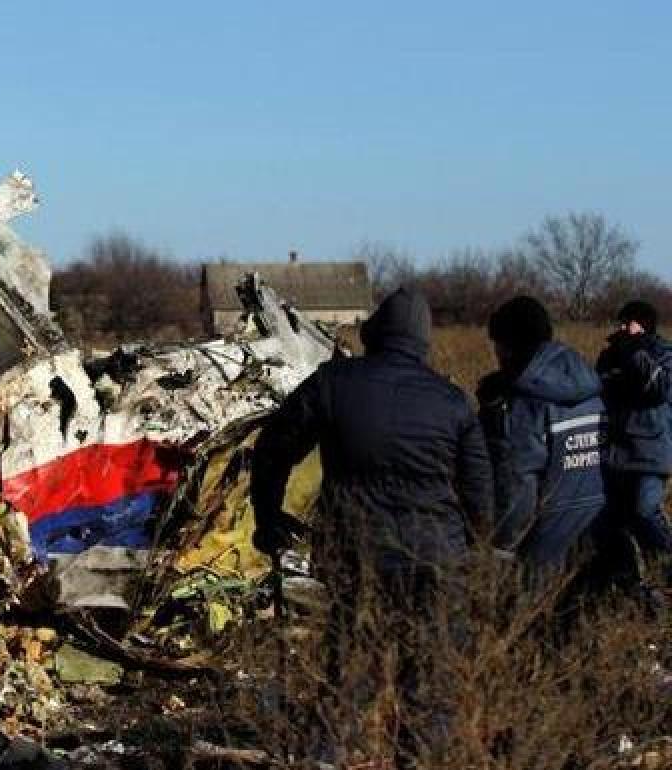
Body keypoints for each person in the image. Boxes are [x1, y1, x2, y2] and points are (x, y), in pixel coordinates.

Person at [249, 287, 493, 764]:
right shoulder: (453, 403)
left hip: (357, 555)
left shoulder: (334, 384)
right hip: (437, 562)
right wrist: (476, 554)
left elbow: (273, 449)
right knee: (431, 677)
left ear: (374, 334)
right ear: (424, 343)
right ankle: (419, 759)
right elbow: (482, 498)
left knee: (349, 670)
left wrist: (269, 518)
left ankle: (325, 757)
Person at [476, 296, 606, 576]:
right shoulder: (587, 387)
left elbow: (518, 485)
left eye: (497, 343)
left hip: (543, 545)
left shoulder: (523, 405)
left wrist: (500, 548)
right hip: (595, 527)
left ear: (509, 347)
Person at [596, 300, 672, 587]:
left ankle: (666, 566)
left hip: (650, 452)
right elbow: (600, 392)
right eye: (620, 322)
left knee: (645, 511)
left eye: (628, 322)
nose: (621, 328)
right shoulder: (609, 356)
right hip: (614, 452)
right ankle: (628, 583)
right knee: (610, 523)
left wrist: (634, 352)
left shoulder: (663, 355)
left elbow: (658, 389)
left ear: (644, 325)